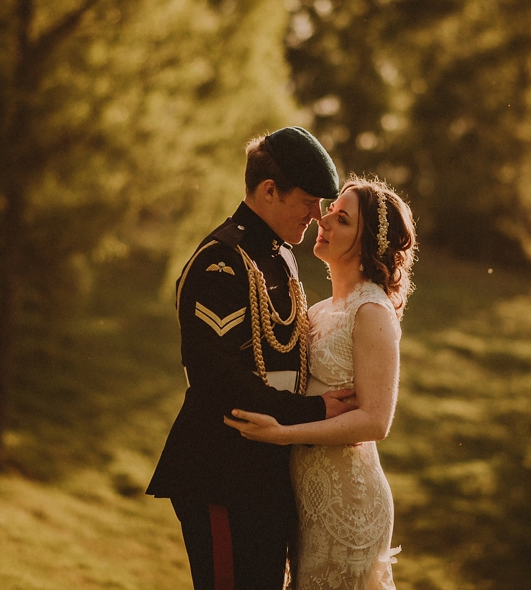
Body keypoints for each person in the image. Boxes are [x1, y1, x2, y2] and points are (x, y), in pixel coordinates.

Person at [147, 127, 356, 590]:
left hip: (266, 469)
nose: (316, 217)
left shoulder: (280, 257)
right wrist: (314, 412)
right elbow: (221, 383)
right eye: (308, 202)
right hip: (222, 469)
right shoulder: (220, 261)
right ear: (268, 191)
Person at [225, 177, 416, 590]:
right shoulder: (321, 309)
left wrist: (283, 434)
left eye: (341, 219)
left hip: (349, 501)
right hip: (306, 499)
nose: (323, 220)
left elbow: (375, 422)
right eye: (330, 210)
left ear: (366, 244)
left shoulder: (372, 311)